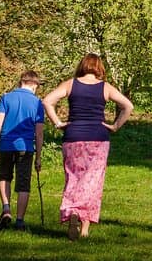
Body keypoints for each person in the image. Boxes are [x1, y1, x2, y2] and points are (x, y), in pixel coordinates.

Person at [42, 53, 133, 241]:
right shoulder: (105, 87)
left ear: (82, 66)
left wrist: (58, 123)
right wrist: (115, 126)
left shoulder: (70, 84)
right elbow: (128, 106)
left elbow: (47, 101)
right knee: (93, 182)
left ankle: (73, 211)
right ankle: (84, 229)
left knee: (73, 178)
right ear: (99, 68)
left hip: (73, 137)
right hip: (98, 138)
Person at [0, 70, 46, 231]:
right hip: (25, 147)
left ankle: (6, 208)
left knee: (4, 176)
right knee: (23, 184)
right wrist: (38, 156)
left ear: (21, 82)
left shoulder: (6, 98)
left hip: (6, 145)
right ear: (34, 85)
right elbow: (39, 133)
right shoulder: (37, 103)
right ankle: (20, 220)